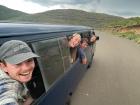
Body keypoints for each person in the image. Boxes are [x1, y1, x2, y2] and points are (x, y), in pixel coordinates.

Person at [0, 40, 39, 105]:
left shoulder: (12, 74)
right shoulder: (7, 86)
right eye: (17, 63)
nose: (26, 68)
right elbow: (5, 97)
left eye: (29, 60)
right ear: (3, 67)